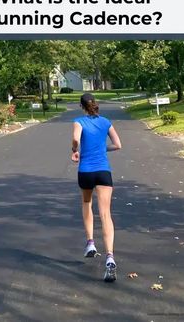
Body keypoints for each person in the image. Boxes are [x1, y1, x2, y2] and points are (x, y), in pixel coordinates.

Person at [71, 93, 122, 282]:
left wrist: (75, 150)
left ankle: (91, 243)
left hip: (85, 170)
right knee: (105, 214)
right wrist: (103, 148)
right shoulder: (106, 122)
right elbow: (118, 145)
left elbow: (76, 139)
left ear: (82, 106)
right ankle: (110, 257)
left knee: (86, 203)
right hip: (103, 171)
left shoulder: (78, 121)